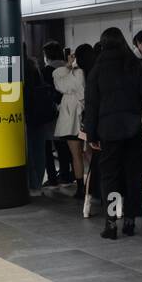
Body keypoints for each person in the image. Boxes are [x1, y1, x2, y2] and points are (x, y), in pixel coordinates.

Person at [85, 27, 142, 239]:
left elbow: (91, 106)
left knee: (110, 177)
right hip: (134, 129)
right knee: (133, 175)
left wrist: (91, 136)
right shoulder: (136, 65)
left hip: (108, 132)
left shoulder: (96, 70)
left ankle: (111, 223)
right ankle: (130, 220)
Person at [53, 44, 91, 199]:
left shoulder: (77, 73)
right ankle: (93, 185)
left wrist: (67, 66)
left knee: (76, 154)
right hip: (89, 118)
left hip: (74, 120)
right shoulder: (91, 72)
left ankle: (81, 188)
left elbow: (59, 83)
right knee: (90, 154)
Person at [23, 50, 58, 196]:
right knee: (40, 150)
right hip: (41, 117)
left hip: (27, 116)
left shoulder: (19, 72)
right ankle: (37, 185)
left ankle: (32, 184)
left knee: (29, 152)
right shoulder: (36, 71)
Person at [40, 41, 73, 187]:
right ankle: (66, 174)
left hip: (52, 112)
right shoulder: (69, 68)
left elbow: (45, 93)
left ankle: (52, 177)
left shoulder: (47, 71)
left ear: (47, 56)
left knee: (48, 144)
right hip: (69, 110)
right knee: (65, 145)